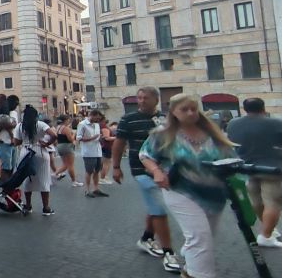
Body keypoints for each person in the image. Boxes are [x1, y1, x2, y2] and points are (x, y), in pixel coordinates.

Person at [140, 94, 237, 278]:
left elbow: (230, 155)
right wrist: (157, 172)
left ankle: (189, 263)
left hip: (214, 192)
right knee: (200, 237)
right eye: (184, 109)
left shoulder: (212, 132)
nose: (191, 113)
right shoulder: (163, 133)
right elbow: (145, 154)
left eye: (194, 108)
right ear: (174, 112)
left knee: (205, 237)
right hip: (179, 189)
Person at [112, 86, 181, 273]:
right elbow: (119, 143)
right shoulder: (128, 119)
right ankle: (168, 252)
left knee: (154, 205)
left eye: (145, 98)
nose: (141, 101)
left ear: (156, 100)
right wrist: (116, 167)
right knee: (159, 208)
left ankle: (146, 238)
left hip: (164, 169)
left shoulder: (165, 119)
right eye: (139, 98)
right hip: (140, 168)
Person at [227, 97, 282, 248]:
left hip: (248, 168)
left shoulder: (233, 123)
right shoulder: (275, 123)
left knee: (256, 202)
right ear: (263, 108)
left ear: (244, 108)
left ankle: (270, 230)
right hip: (273, 169)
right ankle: (266, 236)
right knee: (272, 203)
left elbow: (231, 141)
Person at [13, 105, 57, 215]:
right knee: (44, 179)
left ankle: (28, 205)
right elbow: (54, 135)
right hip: (40, 151)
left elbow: (16, 142)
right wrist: (47, 143)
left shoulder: (20, 126)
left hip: (25, 152)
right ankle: (46, 207)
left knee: (28, 179)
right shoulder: (41, 124)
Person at [78, 111, 108, 198]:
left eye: (99, 119)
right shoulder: (82, 124)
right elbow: (79, 138)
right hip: (88, 152)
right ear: (91, 115)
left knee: (97, 170)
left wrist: (101, 139)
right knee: (89, 171)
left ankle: (96, 189)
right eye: (97, 118)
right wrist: (92, 138)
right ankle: (87, 190)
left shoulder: (97, 125)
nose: (98, 120)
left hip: (98, 151)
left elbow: (97, 137)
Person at [53, 115, 83, 187]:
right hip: (67, 146)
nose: (69, 121)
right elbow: (70, 139)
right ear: (65, 120)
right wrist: (74, 134)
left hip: (60, 146)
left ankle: (54, 175)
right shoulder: (66, 128)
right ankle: (74, 181)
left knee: (65, 164)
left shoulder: (58, 127)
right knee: (70, 165)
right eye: (68, 120)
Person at [100, 120, 117, 185]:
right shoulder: (105, 128)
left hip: (106, 147)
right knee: (107, 163)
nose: (115, 127)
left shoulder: (103, 127)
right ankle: (102, 178)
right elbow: (107, 138)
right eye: (114, 126)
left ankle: (104, 177)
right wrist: (116, 138)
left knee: (105, 163)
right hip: (107, 147)